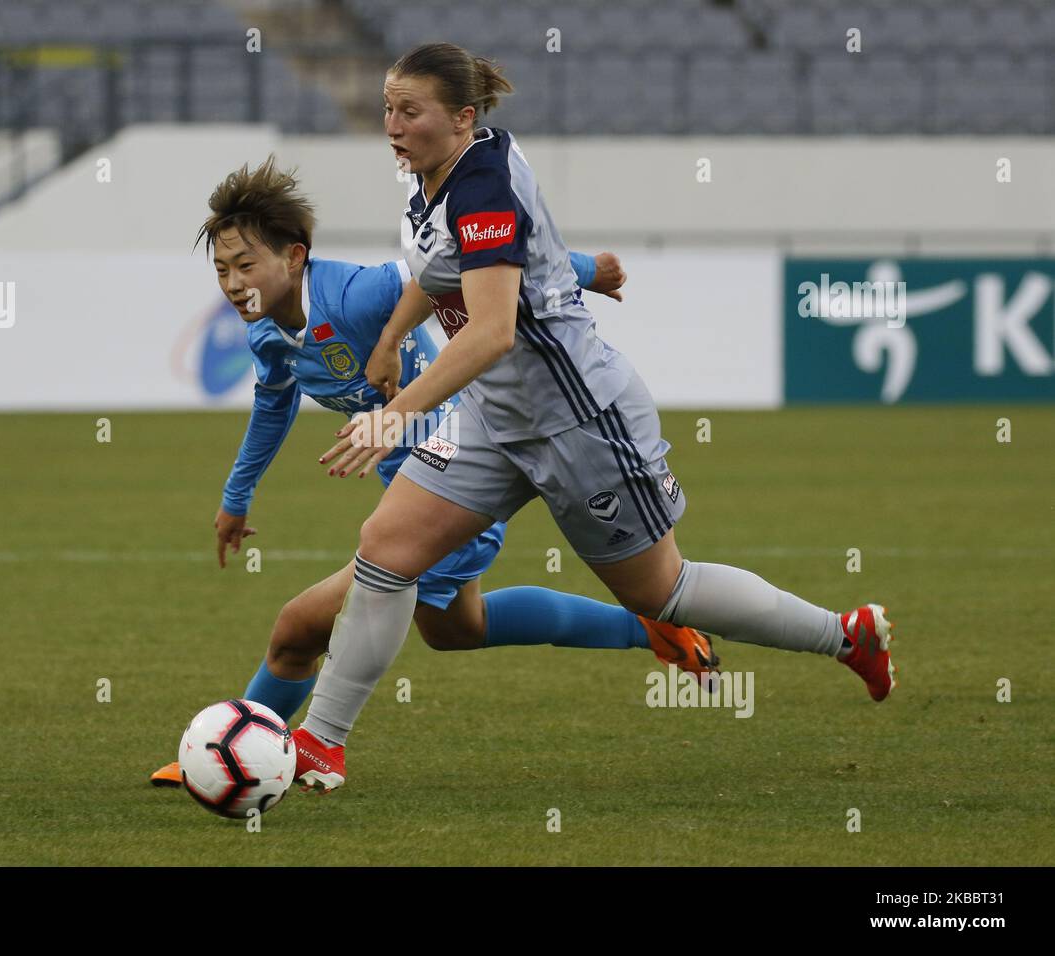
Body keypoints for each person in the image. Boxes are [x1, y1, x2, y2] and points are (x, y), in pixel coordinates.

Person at [294, 43, 897, 794]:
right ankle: (321, 743)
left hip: (577, 420)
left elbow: (491, 331)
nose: (391, 124)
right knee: (386, 548)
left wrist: (397, 414)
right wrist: (389, 340)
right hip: (493, 414)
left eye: (408, 111)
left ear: (462, 117)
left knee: (661, 593)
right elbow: (432, 268)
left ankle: (846, 637)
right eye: (388, 108)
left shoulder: (482, 188)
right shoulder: (432, 174)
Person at [150, 156, 718, 786]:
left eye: (245, 264)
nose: (232, 283)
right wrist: (236, 499)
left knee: (297, 628)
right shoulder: (267, 333)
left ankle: (230, 757)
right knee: (457, 629)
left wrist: (586, 270)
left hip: (461, 478)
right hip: (415, 495)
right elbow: (272, 406)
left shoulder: (360, 293)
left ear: (294, 258)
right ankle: (649, 630)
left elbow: (465, 267)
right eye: (222, 269)